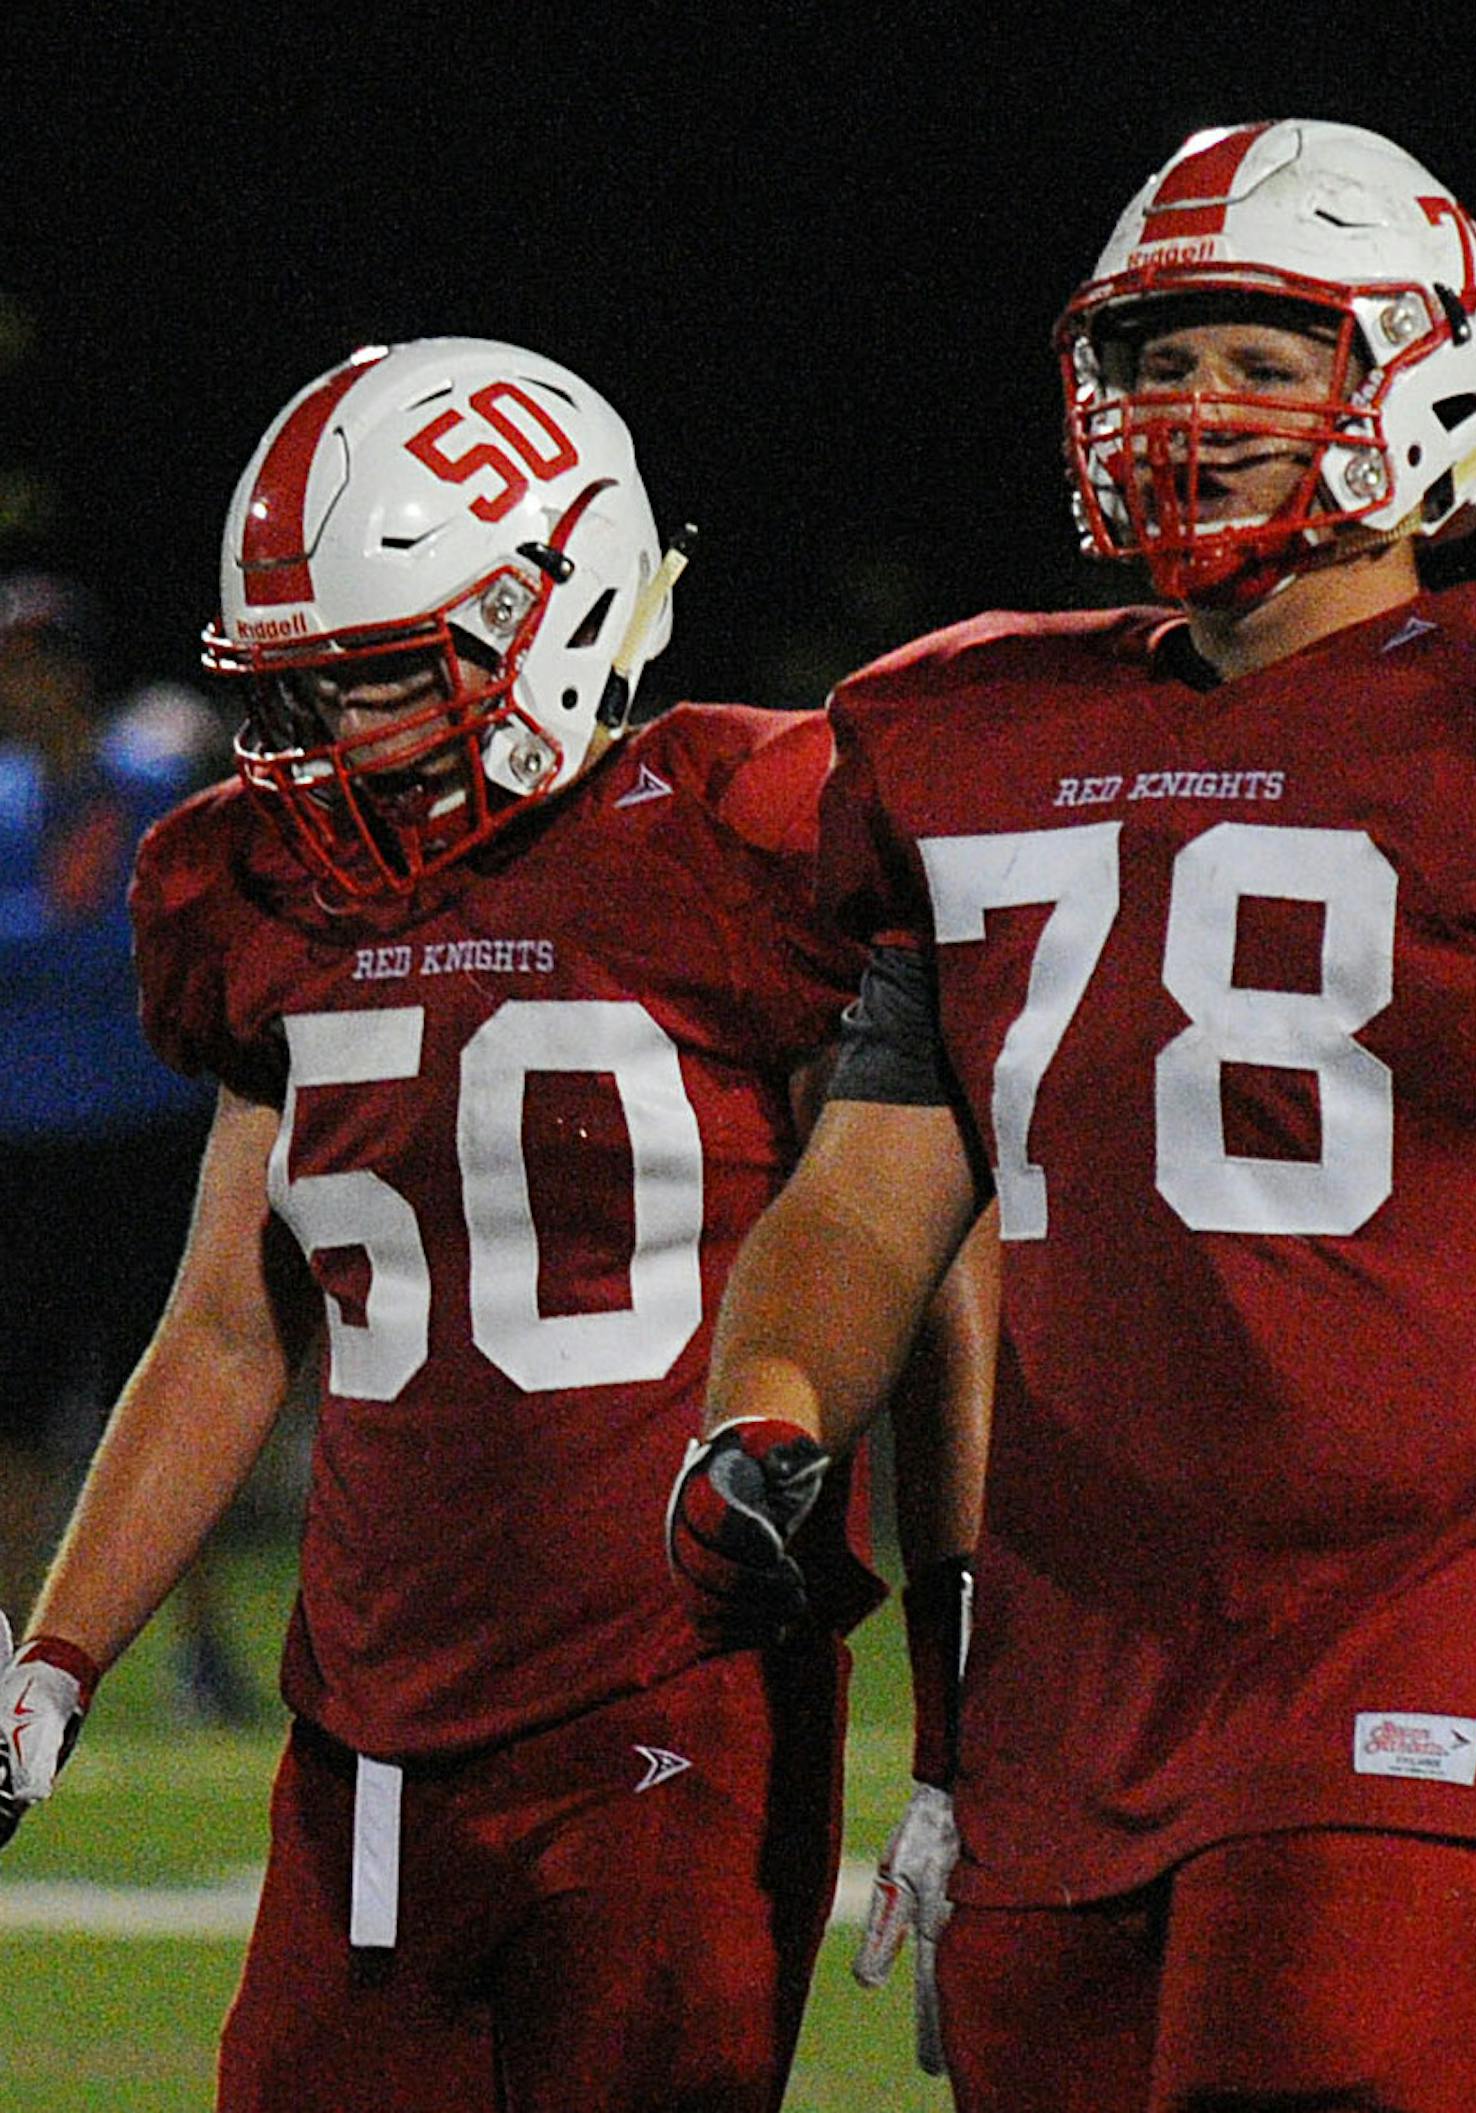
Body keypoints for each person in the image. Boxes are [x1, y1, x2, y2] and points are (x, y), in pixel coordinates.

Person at [662, 121, 1476, 2113]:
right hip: (1075, 1663)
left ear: (1424, 376)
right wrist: (764, 1411)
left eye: (1263, 361)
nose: (1185, 409)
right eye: (1151, 356)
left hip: (1414, 1640)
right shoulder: (980, 740)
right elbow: (867, 1197)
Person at [0, 335, 991, 2113]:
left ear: (556, 605)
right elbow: (232, 1320)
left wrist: (965, 1722)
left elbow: (931, 1277)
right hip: (366, 1720)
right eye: (294, 695)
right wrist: (52, 1660)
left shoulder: (753, 829)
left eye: (375, 682)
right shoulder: (254, 886)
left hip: (676, 1694)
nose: (323, 747)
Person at [0, 573, 255, 1721]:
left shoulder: (150, 785)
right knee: (17, 1415)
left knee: (169, 1387)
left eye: (42, 659)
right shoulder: (8, 805)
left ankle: (197, 1650)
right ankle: (15, 1649)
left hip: (145, 1137)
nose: (26, 682)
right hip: (30, 1153)